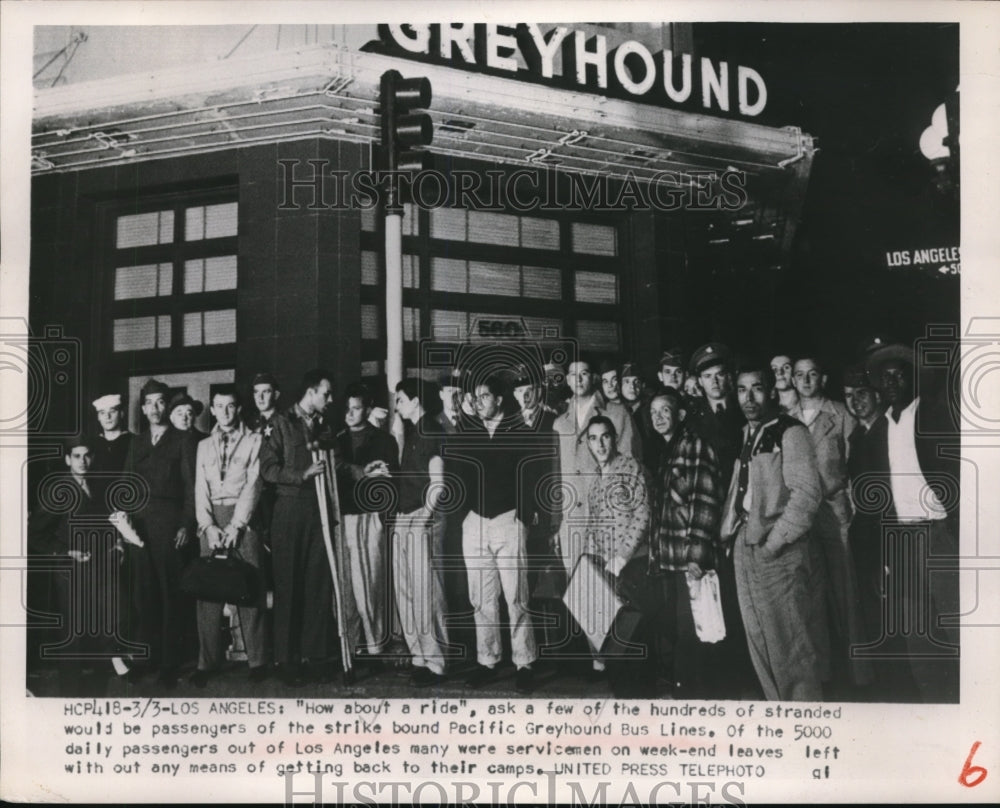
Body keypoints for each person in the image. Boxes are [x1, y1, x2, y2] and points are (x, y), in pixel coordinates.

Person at [720, 364, 828, 700]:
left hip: (778, 552)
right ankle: (779, 722)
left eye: (756, 389)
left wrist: (774, 543)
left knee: (790, 649)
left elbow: (807, 495)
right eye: (741, 389)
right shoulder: (749, 432)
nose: (749, 398)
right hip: (746, 546)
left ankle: (805, 726)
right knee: (761, 644)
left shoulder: (790, 431)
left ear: (771, 391)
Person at [867, 343, 959, 702]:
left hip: (939, 534)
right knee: (917, 635)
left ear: (913, 377)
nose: (891, 382)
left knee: (958, 625)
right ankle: (935, 709)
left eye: (898, 374)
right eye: (884, 377)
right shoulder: (879, 430)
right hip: (902, 539)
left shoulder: (937, 416)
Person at [788, 355, 870, 689]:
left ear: (822, 378)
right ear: (792, 380)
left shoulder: (839, 413)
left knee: (846, 595)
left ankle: (861, 676)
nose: (806, 381)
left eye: (812, 374)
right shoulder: (786, 418)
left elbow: (853, 465)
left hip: (835, 513)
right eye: (799, 375)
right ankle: (824, 675)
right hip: (802, 518)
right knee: (811, 597)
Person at [457, 375, 539, 692]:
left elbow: (533, 475)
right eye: (474, 398)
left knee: (516, 595)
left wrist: (523, 516)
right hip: (475, 522)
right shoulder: (470, 432)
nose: (478, 403)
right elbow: (459, 473)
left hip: (508, 520)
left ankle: (524, 662)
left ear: (499, 400)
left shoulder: (521, 432)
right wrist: (463, 514)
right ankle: (487, 659)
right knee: (480, 597)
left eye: (484, 396)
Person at [641, 387, 723, 698]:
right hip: (672, 559)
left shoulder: (694, 445)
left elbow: (705, 502)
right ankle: (689, 693)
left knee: (696, 633)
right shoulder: (669, 449)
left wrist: (696, 558)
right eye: (654, 412)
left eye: (665, 410)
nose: (659, 417)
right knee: (683, 632)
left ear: (681, 415)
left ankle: (696, 700)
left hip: (690, 559)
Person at [259, 369, 338, 686]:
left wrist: (363, 470)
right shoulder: (279, 423)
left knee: (317, 583)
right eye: (326, 393)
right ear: (310, 392)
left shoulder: (324, 425)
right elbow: (267, 468)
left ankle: (314, 656)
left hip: (318, 509)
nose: (330, 400)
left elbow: (336, 463)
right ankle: (286, 659)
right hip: (289, 510)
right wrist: (301, 475)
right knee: (288, 584)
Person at [120, 379, 199, 688]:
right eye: (149, 403)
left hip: (168, 524)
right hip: (139, 527)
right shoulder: (136, 442)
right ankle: (144, 660)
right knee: (144, 594)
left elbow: (192, 487)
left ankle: (169, 663)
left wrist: (186, 524)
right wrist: (124, 523)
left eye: (160, 402)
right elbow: (126, 483)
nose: (155, 408)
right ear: (142, 409)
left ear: (168, 406)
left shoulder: (182, 439)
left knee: (170, 595)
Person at [28, 437, 122, 693]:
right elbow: (35, 534)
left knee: (100, 624)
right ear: (68, 460)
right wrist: (65, 552)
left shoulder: (97, 486)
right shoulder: (58, 491)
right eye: (77, 456)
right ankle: (69, 694)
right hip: (70, 570)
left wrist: (117, 543)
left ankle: (96, 688)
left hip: (100, 569)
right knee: (73, 633)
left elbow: (108, 523)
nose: (83, 461)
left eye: (87, 455)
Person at [191, 386, 270, 687]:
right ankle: (206, 663)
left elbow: (254, 485)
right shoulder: (203, 446)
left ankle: (258, 661)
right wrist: (208, 526)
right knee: (208, 592)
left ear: (238, 409)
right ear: (211, 409)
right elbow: (201, 489)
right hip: (212, 522)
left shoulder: (254, 440)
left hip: (243, 521)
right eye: (219, 406)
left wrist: (237, 526)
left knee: (250, 588)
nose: (225, 412)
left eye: (231, 406)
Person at [553, 357, 640, 575]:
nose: (578, 379)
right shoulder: (560, 422)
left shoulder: (617, 414)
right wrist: (557, 524)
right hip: (571, 521)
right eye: (573, 374)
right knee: (578, 595)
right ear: (567, 380)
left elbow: (629, 472)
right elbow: (556, 476)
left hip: (608, 522)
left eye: (584, 373)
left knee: (609, 594)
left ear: (593, 378)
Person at [580, 415, 650, 687]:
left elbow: (642, 514)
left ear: (614, 438)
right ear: (588, 443)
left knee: (632, 639)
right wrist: (588, 562)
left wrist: (622, 556)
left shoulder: (629, 467)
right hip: (607, 566)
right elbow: (593, 524)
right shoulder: (597, 480)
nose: (600, 444)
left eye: (605, 436)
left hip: (630, 564)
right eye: (594, 438)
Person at [391, 378, 450, 686]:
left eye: (400, 399)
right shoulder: (414, 431)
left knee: (427, 591)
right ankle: (419, 657)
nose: (396, 405)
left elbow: (438, 482)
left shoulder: (431, 431)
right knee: (407, 591)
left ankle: (436, 661)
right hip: (405, 516)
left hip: (421, 518)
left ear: (415, 401)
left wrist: (424, 518)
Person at [334, 383, 399, 659]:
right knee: (344, 587)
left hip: (369, 518)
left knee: (369, 584)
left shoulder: (384, 441)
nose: (350, 414)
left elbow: (390, 482)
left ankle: (375, 646)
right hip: (341, 518)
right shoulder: (335, 440)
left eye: (356, 408)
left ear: (368, 410)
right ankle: (348, 648)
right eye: (347, 408)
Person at [90, 393, 133, 473]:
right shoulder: (93, 444)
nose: (107, 417)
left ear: (121, 414)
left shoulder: (133, 442)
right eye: (102, 413)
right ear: (98, 417)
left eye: (112, 411)